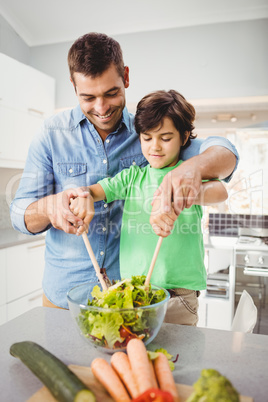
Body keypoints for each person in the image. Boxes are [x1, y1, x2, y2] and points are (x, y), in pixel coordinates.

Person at [10, 32, 238, 309]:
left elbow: (225, 155)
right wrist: (50, 208)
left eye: (111, 93)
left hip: (130, 298)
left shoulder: (149, 131)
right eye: (88, 97)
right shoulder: (51, 134)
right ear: (73, 86)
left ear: (126, 78)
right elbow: (18, 212)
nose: (102, 107)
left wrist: (193, 170)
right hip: (64, 298)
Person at [70, 89, 228, 325]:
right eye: (147, 138)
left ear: (184, 138)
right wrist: (83, 197)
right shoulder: (133, 176)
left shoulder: (187, 175)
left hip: (179, 296)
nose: (155, 146)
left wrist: (184, 195)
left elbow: (221, 191)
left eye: (165, 138)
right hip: (134, 294)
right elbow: (95, 191)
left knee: (178, 357)